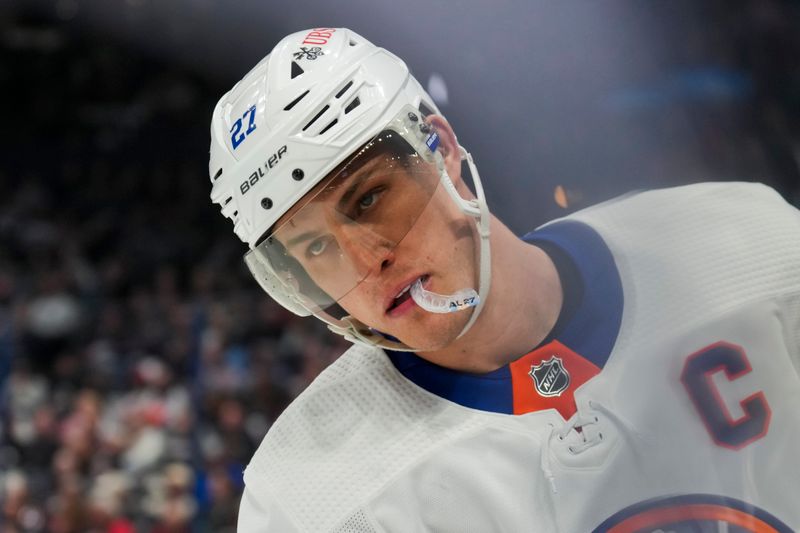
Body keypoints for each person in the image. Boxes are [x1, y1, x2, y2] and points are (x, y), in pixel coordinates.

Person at [209, 27, 800, 532]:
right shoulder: (307, 499)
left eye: (368, 199)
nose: (366, 262)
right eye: (315, 247)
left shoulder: (748, 246)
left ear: (439, 148)